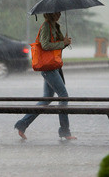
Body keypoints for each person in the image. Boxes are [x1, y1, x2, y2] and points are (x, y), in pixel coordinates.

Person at [14, 12, 77, 140]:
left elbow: (55, 47)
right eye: (56, 13)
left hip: (54, 67)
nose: (59, 14)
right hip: (49, 68)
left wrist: (65, 43)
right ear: (50, 14)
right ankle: (65, 131)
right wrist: (61, 43)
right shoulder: (46, 26)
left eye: (59, 12)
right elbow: (45, 45)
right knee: (63, 97)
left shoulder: (55, 26)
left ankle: (22, 124)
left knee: (46, 99)